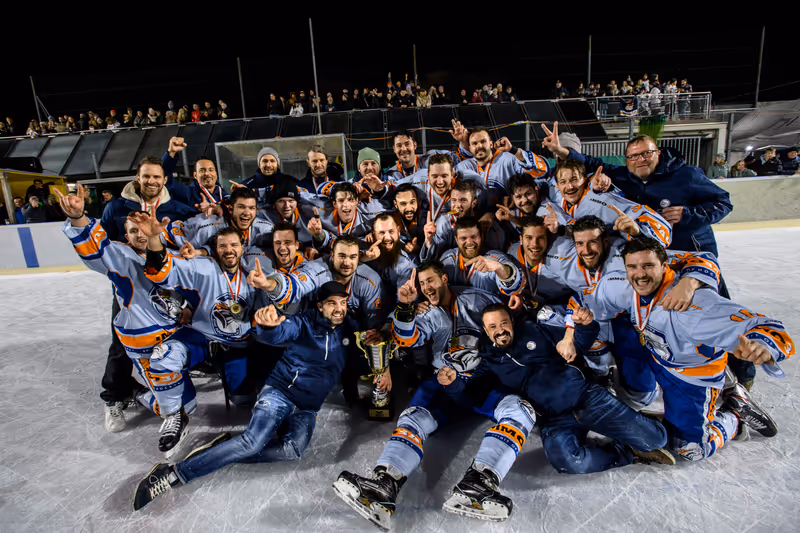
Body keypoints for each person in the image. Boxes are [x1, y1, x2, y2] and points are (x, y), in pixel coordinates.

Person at [132, 281, 365, 512]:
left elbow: (363, 351)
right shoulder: (303, 323)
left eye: (342, 303)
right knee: (252, 442)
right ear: (320, 306)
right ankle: (173, 473)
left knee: (292, 450)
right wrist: (268, 327)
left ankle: (224, 450)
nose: (339, 308)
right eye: (332, 303)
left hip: (307, 407)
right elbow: (280, 331)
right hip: (280, 393)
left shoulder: (349, 329)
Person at [334, 262, 536, 527]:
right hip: (443, 380)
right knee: (414, 417)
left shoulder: (477, 298)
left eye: (431, 281)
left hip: (484, 380)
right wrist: (405, 307)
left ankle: (478, 484)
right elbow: (408, 338)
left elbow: (511, 309)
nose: (427, 288)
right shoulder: (429, 312)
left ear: (444, 279)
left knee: (521, 410)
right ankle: (383, 486)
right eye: (422, 283)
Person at [584, 237, 792, 460]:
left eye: (648, 266)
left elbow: (766, 326)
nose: (640, 274)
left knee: (691, 450)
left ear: (664, 266)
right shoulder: (620, 284)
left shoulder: (696, 305)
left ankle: (734, 414)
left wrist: (764, 345)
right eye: (632, 267)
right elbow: (586, 300)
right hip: (657, 357)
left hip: (691, 379)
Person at [448, 303, 673, 478]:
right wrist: (452, 384)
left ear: (511, 322)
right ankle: (627, 453)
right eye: (493, 327)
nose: (500, 330)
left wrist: (585, 326)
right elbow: (470, 396)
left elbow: (579, 343)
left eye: (503, 323)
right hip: (554, 420)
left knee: (656, 439)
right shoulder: (489, 362)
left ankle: (641, 422)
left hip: (586, 399)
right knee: (569, 463)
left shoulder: (535, 330)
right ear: (486, 331)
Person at [58, 185, 197, 454]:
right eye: (133, 231)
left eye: (143, 229)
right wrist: (78, 218)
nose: (140, 235)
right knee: (183, 407)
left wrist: (188, 306)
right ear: (126, 236)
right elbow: (95, 247)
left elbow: (193, 287)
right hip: (146, 346)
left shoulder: (172, 255)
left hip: (176, 337)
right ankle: (138, 393)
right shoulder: (119, 257)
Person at [97, 157, 195, 432]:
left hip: (167, 284)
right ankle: (114, 395)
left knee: (175, 333)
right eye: (146, 176)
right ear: (138, 178)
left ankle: (173, 381)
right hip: (130, 285)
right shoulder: (117, 207)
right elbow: (103, 244)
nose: (151, 181)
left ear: (165, 180)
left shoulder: (177, 208)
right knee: (122, 342)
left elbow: (193, 233)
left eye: (156, 177)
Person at [542, 125, 731, 257]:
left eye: (647, 153)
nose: (641, 159)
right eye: (633, 156)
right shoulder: (624, 176)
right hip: (654, 254)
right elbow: (591, 163)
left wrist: (688, 214)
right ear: (627, 160)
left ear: (658, 153)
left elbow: (723, 202)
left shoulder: (686, 175)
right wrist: (561, 150)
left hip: (692, 249)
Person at [549, 159, 672, 247]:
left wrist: (600, 181)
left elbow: (597, 185)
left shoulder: (596, 188)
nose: (569, 186)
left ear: (585, 179)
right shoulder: (556, 193)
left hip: (646, 222)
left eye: (574, 179)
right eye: (563, 182)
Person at [438, 216, 523, 299]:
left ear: (481, 236)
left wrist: (500, 268)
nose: (469, 242)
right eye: (463, 238)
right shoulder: (447, 259)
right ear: (456, 240)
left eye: (474, 237)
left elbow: (516, 284)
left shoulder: (494, 258)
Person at [420, 180, 505, 261]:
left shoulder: (487, 223)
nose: (457, 205)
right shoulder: (442, 223)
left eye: (463, 200)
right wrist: (429, 241)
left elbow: (496, 254)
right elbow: (432, 259)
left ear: (473, 203)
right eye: (454, 200)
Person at [456, 128, 550, 197]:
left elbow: (541, 171)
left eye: (483, 141)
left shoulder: (508, 159)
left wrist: (513, 150)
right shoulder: (464, 166)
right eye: (474, 143)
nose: (479, 146)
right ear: (470, 148)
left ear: (491, 144)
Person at [161, 137, 229, 211]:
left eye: (211, 170)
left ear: (216, 174)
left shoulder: (224, 194)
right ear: (195, 175)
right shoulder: (188, 193)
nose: (207, 173)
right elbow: (163, 178)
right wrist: (171, 152)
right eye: (202, 170)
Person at [383, 126, 470, 182]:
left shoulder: (432, 158)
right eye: (399, 145)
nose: (404, 149)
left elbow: (459, 159)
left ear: (414, 145)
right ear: (394, 149)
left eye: (407, 144)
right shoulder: (390, 174)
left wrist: (463, 142)